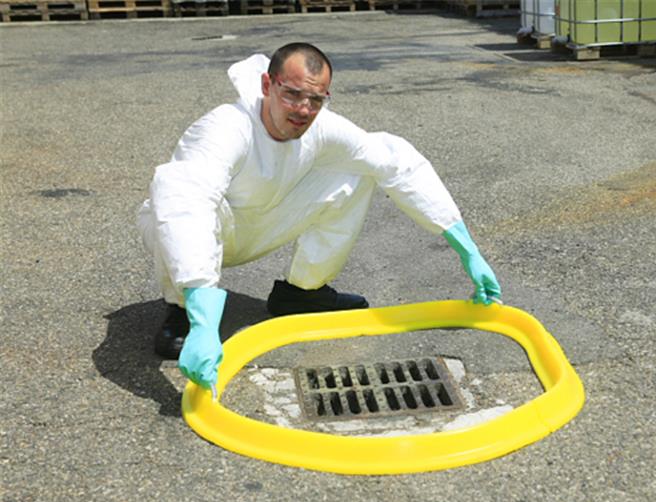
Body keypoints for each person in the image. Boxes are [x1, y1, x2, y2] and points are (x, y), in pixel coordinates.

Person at [137, 43, 501, 390]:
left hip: (258, 222)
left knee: (357, 170)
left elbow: (396, 163)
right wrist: (203, 318)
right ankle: (183, 309)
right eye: (292, 94)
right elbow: (186, 203)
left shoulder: (323, 127)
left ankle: (301, 293)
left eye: (315, 99)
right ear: (267, 84)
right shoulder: (225, 127)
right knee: (176, 196)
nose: (303, 110)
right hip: (202, 232)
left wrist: (466, 248)